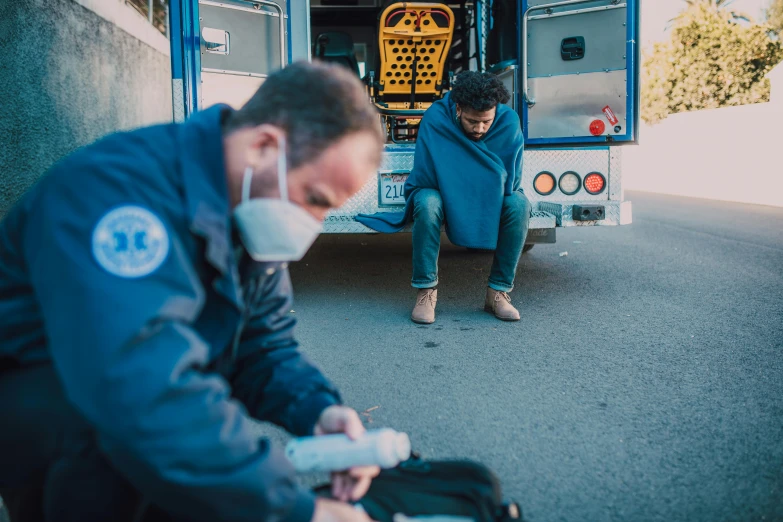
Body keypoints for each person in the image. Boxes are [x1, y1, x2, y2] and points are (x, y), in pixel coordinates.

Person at [0, 61, 385, 522]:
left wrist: (318, 411)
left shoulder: (250, 208)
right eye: (316, 199)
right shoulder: (115, 195)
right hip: (61, 425)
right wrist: (297, 509)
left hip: (135, 424)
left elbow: (263, 344)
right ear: (263, 146)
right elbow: (138, 384)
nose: (314, 225)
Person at [356, 71, 531, 324]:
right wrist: (467, 184)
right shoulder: (437, 117)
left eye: (486, 121)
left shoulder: (508, 121)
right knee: (427, 202)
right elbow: (428, 175)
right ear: (458, 108)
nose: (479, 128)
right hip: (442, 189)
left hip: (489, 194)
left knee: (519, 203)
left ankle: (498, 292)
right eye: (472, 121)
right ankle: (426, 291)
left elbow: (511, 181)